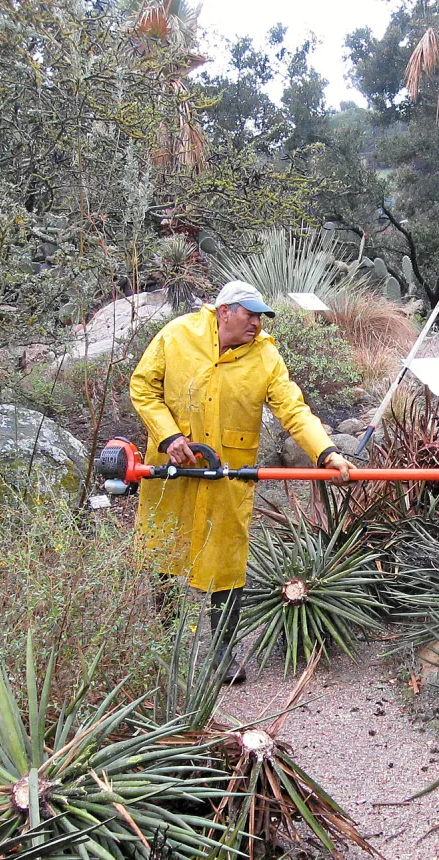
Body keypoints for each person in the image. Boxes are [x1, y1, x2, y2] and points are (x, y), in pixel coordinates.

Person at [130, 280, 353, 682]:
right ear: (224, 312)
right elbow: (143, 388)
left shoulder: (266, 357)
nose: (256, 322)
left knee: (226, 565)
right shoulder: (177, 335)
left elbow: (293, 409)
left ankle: (223, 655)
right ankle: (166, 650)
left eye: (260, 315)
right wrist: (168, 436)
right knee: (163, 555)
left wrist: (326, 452)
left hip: (228, 475)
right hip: (171, 470)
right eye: (249, 314)